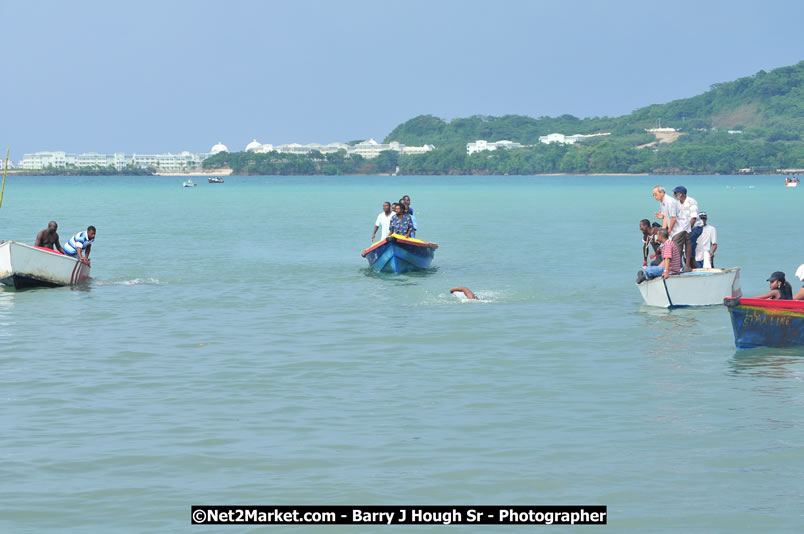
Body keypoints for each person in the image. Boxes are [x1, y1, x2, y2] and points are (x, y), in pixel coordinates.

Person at [652, 185, 689, 271]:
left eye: (656, 194)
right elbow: (665, 216)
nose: (654, 196)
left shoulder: (670, 201)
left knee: (675, 248)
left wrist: (669, 230)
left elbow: (673, 218)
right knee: (672, 247)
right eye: (653, 195)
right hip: (674, 228)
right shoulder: (662, 202)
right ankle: (676, 267)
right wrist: (663, 231)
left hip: (681, 227)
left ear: (662, 193)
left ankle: (677, 269)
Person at [673, 186, 700, 271]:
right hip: (684, 228)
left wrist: (688, 230)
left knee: (689, 243)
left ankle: (689, 266)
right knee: (678, 244)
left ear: (681, 194)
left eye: (675, 193)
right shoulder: (677, 203)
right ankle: (680, 266)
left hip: (695, 227)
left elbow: (693, 218)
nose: (674, 195)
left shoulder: (691, 201)